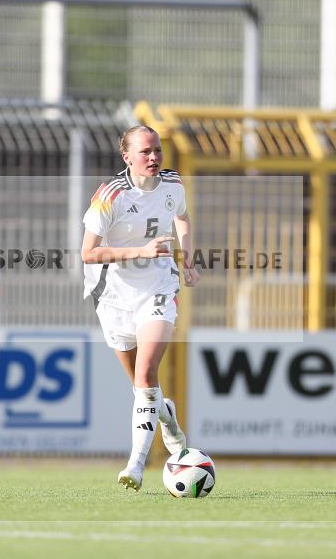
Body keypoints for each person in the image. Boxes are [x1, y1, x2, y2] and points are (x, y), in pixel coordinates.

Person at [81, 125, 200, 491]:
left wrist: (189, 258)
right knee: (142, 386)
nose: (153, 157)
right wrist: (139, 251)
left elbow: (181, 216)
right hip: (114, 296)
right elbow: (88, 253)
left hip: (159, 287)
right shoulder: (110, 195)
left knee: (146, 374)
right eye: (145, 151)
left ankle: (135, 466)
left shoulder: (172, 183)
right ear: (127, 156)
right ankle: (168, 417)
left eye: (158, 150)